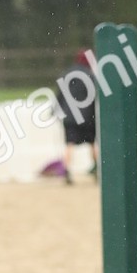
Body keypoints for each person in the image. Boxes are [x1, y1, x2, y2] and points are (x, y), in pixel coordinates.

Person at [56, 49, 98, 184]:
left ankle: (66, 169)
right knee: (92, 142)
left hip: (69, 116)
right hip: (87, 116)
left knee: (70, 143)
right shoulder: (90, 75)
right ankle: (97, 168)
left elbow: (60, 95)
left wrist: (56, 111)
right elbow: (95, 96)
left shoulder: (66, 74)